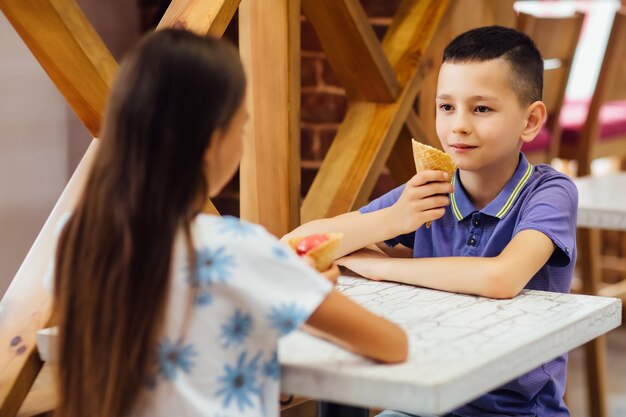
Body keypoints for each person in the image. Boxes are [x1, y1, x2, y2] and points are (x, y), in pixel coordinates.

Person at [49, 29, 408, 417]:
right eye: (241, 126)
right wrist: (309, 291)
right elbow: (392, 344)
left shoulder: (74, 236)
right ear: (210, 144)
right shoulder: (237, 246)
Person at [284, 25, 577, 417]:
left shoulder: (549, 192)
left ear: (530, 120)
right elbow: (295, 243)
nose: (458, 125)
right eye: (446, 107)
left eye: (481, 108)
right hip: (423, 399)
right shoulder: (429, 190)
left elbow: (501, 278)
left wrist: (376, 267)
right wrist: (391, 219)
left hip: (516, 411)